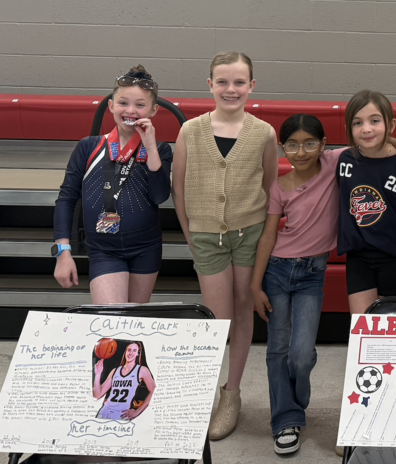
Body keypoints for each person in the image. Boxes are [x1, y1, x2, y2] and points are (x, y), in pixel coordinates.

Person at [171, 51, 277, 440]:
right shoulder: (190, 131)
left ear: (251, 86)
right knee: (217, 319)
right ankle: (206, 391)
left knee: (244, 309)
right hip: (205, 236)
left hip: (248, 232)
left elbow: (269, 188)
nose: (230, 89)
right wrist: (191, 234)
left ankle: (231, 393)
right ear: (210, 85)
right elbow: (178, 189)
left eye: (238, 82)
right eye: (222, 81)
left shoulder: (264, 132)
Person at [248, 114, 340, 455]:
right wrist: (256, 286)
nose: (301, 152)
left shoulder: (333, 164)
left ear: (323, 145)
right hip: (276, 272)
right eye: (292, 145)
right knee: (278, 349)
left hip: (311, 275)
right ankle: (285, 418)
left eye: (309, 143)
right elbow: (269, 235)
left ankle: (297, 399)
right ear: (282, 147)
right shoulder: (279, 187)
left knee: (302, 354)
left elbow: (374, 143)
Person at [53, 66, 172, 304]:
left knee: (134, 331)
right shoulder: (88, 147)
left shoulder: (160, 150)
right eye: (123, 103)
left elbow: (160, 196)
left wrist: (150, 149)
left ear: (153, 110)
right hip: (103, 250)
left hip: (145, 249)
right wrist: (62, 252)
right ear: (111, 106)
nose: (131, 110)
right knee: (111, 321)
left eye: (140, 105)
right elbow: (66, 199)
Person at [336, 90, 396, 315]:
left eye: (375, 121)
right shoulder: (345, 159)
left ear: (390, 124)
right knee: (361, 326)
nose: (366, 128)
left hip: (394, 256)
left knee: (385, 331)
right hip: (358, 255)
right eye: (357, 123)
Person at [94, 341, 156, 421]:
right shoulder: (115, 371)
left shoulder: (142, 370)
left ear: (138, 353)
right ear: (125, 351)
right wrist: (98, 374)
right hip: (104, 411)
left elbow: (154, 390)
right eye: (129, 350)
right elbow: (97, 395)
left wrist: (137, 412)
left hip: (122, 414)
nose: (131, 353)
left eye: (134, 350)